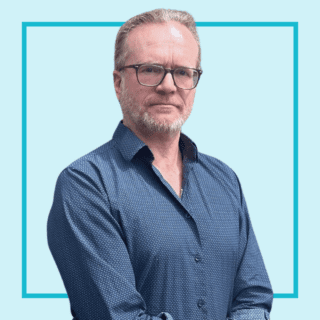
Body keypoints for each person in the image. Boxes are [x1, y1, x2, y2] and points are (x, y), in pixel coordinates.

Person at [47, 8, 273, 320]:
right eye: (151, 70)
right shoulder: (85, 185)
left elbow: (254, 298)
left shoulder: (225, 180)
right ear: (118, 83)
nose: (168, 86)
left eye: (183, 72)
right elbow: (117, 316)